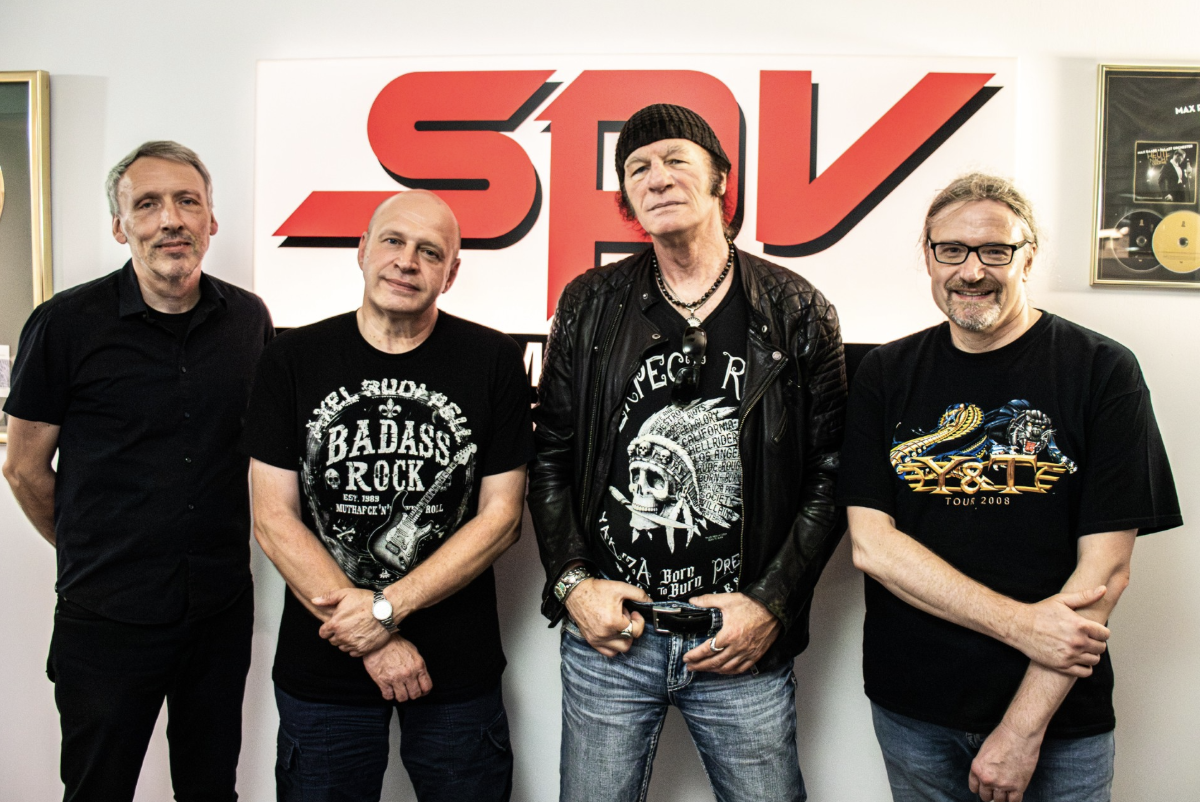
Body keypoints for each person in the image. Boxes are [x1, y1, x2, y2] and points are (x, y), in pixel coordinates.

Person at [528, 103, 846, 802]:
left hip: (738, 639)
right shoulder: (588, 303)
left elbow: (830, 474)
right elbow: (550, 456)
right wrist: (573, 584)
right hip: (613, 638)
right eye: (638, 167)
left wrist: (771, 603)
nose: (657, 177)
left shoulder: (797, 309)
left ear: (720, 179)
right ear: (626, 196)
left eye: (676, 159)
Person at [838, 172, 1182, 802]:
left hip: (1059, 717)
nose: (972, 271)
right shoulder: (885, 373)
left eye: (996, 250)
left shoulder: (1102, 370)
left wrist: (1022, 729)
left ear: (1028, 256)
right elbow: (873, 546)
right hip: (915, 707)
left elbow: (1105, 572)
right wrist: (1021, 624)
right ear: (928, 257)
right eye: (952, 250)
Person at [2, 140, 274, 801]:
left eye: (187, 201)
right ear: (120, 226)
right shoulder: (65, 324)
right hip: (105, 616)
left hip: (218, 610)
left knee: (211, 788)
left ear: (212, 219)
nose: (170, 219)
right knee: (98, 789)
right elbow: (24, 468)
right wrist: (93, 548)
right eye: (147, 204)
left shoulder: (248, 320)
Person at [242, 189, 533, 802]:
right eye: (393, 241)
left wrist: (383, 611)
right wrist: (375, 637)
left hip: (456, 667)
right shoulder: (290, 359)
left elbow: (502, 517)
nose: (407, 261)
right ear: (362, 250)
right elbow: (272, 518)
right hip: (324, 666)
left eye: (430, 251)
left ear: (451, 273)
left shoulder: (495, 360)